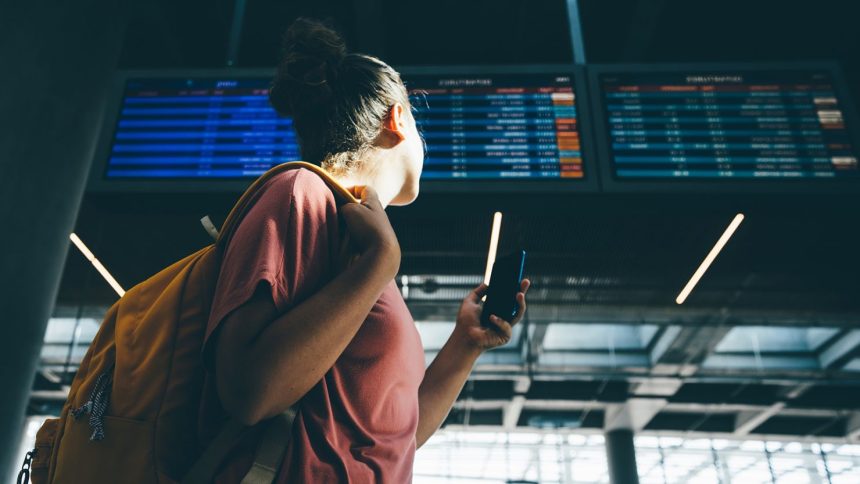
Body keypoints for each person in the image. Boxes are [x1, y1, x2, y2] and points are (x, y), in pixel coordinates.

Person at [199, 17, 531, 483]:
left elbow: (391, 438)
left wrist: (465, 345)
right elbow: (249, 393)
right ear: (397, 119)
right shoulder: (301, 194)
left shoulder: (363, 248)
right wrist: (380, 264)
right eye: (419, 125)